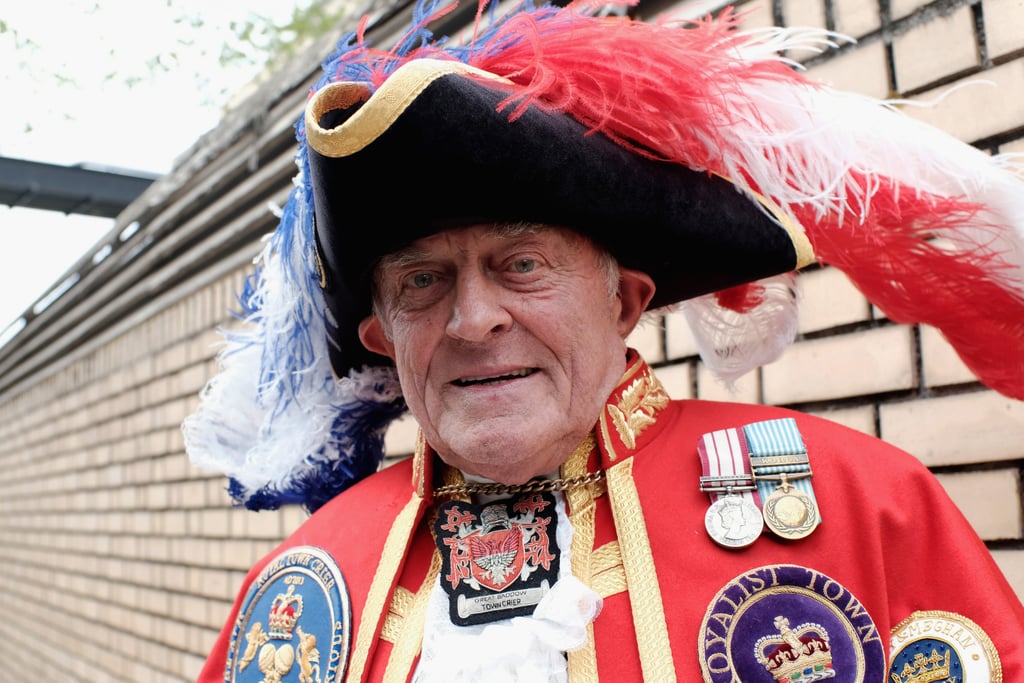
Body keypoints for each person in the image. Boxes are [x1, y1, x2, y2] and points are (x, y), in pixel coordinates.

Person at [184, 1, 1024, 680]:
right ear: (385, 337)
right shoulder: (298, 587)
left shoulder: (863, 505)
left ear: (625, 301)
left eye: (521, 264)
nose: (473, 320)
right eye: (422, 282)